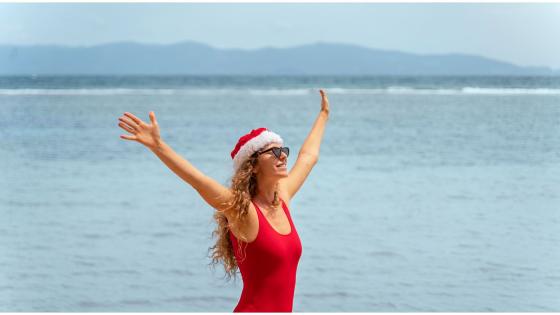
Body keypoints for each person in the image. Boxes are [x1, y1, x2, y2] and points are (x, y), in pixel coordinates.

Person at [117, 89, 330, 312]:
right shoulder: (243, 211)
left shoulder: (281, 200)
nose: (283, 155)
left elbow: (308, 157)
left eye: (283, 150)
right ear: (254, 166)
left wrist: (324, 114)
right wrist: (158, 146)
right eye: (273, 152)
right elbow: (199, 181)